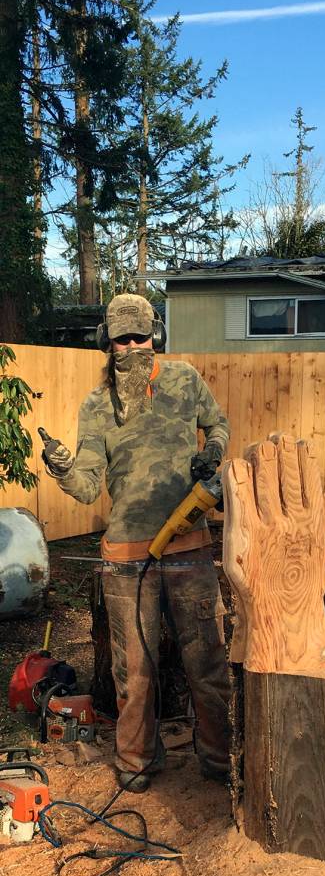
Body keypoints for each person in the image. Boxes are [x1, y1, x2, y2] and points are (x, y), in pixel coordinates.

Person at [40, 293, 231, 792]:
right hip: (126, 560)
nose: (130, 347)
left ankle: (221, 760)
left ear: (156, 336)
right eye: (121, 339)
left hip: (188, 548)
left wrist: (212, 451)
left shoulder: (185, 379)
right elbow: (87, 486)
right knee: (133, 673)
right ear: (106, 342)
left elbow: (218, 423)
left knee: (207, 664)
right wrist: (62, 468)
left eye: (139, 337)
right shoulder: (96, 405)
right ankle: (136, 761)